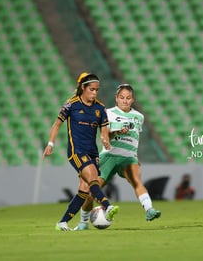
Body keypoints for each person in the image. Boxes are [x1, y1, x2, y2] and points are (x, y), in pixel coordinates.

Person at [74, 83, 161, 231]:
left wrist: (135, 155)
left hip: (128, 157)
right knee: (90, 190)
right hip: (109, 156)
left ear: (132, 100)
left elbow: (134, 138)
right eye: (122, 98)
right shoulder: (107, 113)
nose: (125, 101)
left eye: (128, 98)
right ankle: (83, 222)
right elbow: (104, 134)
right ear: (116, 98)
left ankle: (149, 210)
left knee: (136, 180)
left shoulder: (139, 117)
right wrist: (117, 132)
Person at [42, 72, 119, 231]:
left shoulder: (100, 107)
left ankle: (62, 223)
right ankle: (107, 206)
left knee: (85, 190)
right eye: (91, 89)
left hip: (93, 152)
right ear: (83, 88)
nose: (94, 93)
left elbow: (104, 128)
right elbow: (57, 124)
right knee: (92, 177)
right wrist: (50, 144)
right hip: (76, 152)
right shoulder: (71, 104)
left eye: (97, 90)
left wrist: (105, 139)